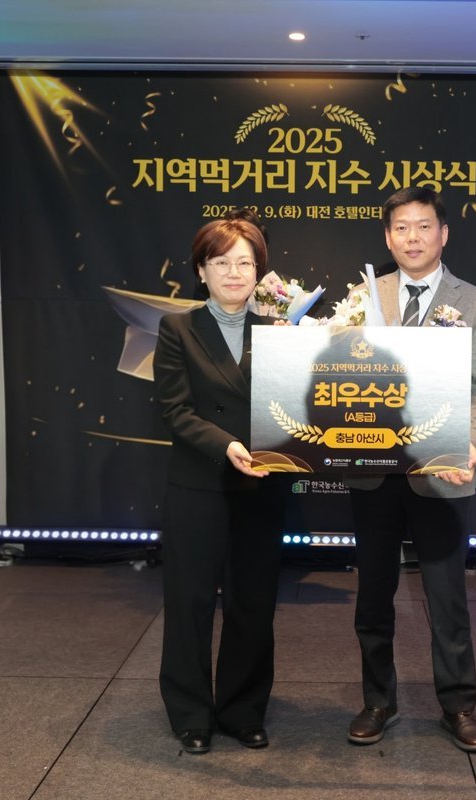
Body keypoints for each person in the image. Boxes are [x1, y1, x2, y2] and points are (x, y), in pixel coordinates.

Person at [345, 186, 476, 752]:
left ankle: (458, 705)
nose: (413, 237)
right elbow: (338, 372)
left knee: (446, 596)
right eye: (402, 228)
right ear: (388, 238)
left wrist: (472, 444)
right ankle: (377, 700)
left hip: (444, 470)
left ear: (443, 233)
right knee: (373, 594)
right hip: (373, 467)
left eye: (424, 226)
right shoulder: (364, 297)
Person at [155, 217, 284, 755]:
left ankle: (242, 711)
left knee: (253, 604)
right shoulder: (177, 329)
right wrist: (227, 445)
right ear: (201, 271)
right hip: (198, 485)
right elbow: (175, 410)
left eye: (245, 262)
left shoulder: (279, 333)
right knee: (189, 604)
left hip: (262, 487)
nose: (234, 272)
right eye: (222, 261)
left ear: (259, 271)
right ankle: (191, 714)